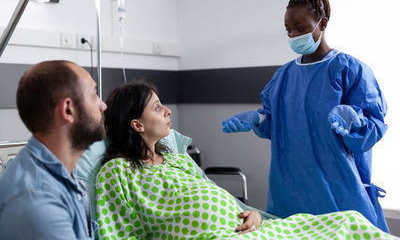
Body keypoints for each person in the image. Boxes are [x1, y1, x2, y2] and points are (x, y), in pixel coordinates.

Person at [95, 81, 396, 240]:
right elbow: (119, 232)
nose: (168, 112)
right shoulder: (117, 172)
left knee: (348, 223)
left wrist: (251, 215)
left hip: (248, 229)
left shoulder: (176, 159)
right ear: (137, 124)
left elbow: (211, 196)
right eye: (158, 108)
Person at [222, 0, 389, 233]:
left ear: (321, 23)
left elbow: (372, 128)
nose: (293, 34)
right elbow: (277, 125)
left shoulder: (350, 70)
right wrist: (260, 120)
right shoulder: (283, 76)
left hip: (339, 194)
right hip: (288, 192)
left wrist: (354, 120)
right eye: (288, 29)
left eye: (300, 28)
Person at [0, 60, 107, 239]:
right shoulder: (38, 200)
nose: (103, 106)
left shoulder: (65, 180)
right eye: (94, 94)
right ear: (68, 110)